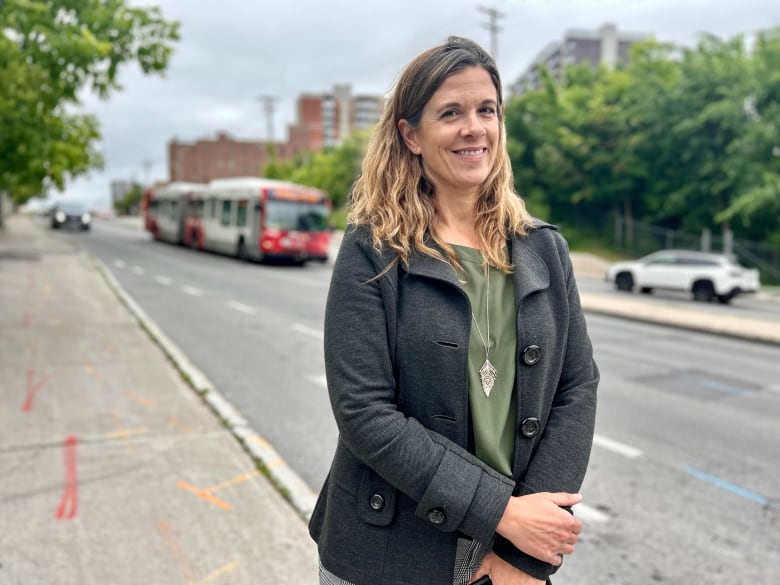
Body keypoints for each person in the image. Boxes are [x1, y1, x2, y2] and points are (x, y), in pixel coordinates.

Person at [308, 36, 599, 585]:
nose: (474, 128)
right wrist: (504, 513)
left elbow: (577, 387)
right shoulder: (373, 247)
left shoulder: (544, 248)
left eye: (486, 110)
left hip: (507, 552)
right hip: (386, 554)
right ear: (410, 135)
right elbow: (364, 412)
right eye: (451, 113)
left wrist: (525, 559)